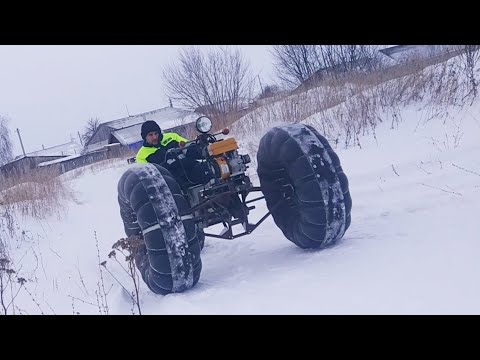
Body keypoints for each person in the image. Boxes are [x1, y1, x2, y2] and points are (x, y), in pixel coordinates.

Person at [135, 120, 205, 184]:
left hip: (191, 169)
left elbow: (188, 148)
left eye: (156, 133)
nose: (154, 137)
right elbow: (149, 176)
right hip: (171, 182)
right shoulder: (141, 156)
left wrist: (199, 146)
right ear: (144, 137)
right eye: (150, 135)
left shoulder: (172, 137)